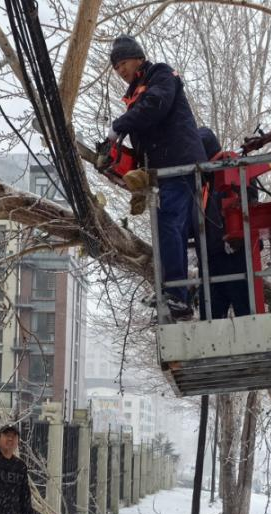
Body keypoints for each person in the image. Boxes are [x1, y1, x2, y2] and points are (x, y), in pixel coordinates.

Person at [108, 35, 206, 321]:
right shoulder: (137, 91)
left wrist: (119, 126)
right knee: (166, 228)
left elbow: (154, 106)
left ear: (138, 58)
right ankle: (171, 291)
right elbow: (145, 134)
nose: (121, 71)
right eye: (116, 68)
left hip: (180, 163)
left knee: (169, 225)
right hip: (164, 170)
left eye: (123, 63)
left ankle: (177, 295)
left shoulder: (161, 74)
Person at [195, 127, 254, 320]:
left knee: (246, 316)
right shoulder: (204, 181)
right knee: (210, 321)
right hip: (211, 258)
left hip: (236, 255)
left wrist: (237, 236)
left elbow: (250, 203)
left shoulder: (234, 167)